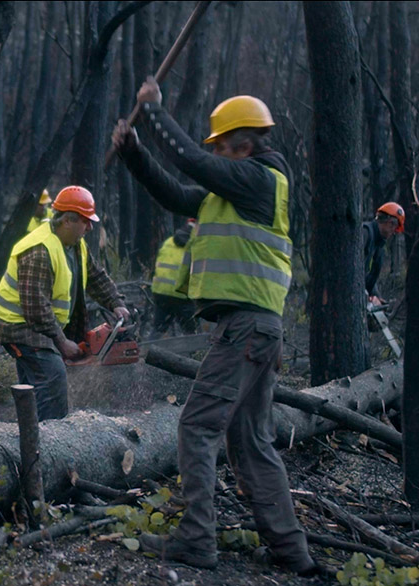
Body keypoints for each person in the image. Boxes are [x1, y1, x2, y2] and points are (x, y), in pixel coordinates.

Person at [111, 79, 316, 575]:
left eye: (221, 147)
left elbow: (194, 165)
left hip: (246, 329)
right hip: (255, 330)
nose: (217, 157)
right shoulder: (233, 189)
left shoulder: (260, 179)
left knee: (198, 427)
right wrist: (135, 154)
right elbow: (180, 193)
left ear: (243, 145)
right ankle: (292, 553)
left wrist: (155, 113)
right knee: (250, 441)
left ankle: (198, 540)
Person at [0, 185, 129, 421]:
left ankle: (29, 436)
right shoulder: (39, 250)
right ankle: (52, 440)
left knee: (33, 386)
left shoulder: (75, 244)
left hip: (38, 324)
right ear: (67, 220)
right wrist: (62, 341)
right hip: (19, 326)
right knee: (53, 376)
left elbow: (95, 276)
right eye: (86, 221)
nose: (90, 227)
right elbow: (35, 308)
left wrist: (115, 302)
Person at [150, 219, 198, 339]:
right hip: (181, 295)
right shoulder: (196, 243)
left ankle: (146, 353)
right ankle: (194, 355)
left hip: (160, 292)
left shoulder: (169, 241)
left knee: (158, 330)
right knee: (191, 333)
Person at [363, 202, 405, 306]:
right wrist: (365, 296)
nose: (394, 231)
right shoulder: (365, 233)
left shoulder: (378, 245)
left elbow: (370, 277)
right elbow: (353, 271)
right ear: (390, 222)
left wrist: (376, 296)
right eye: (394, 227)